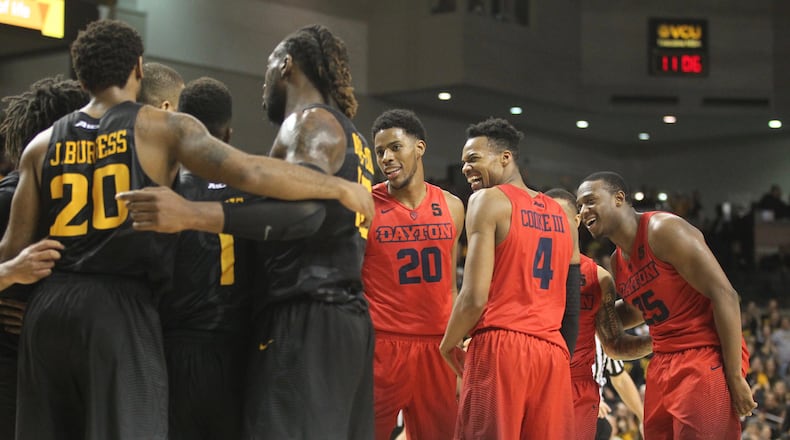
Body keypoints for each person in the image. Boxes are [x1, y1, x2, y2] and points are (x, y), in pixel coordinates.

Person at [0, 19, 373, 440]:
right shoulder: (161, 128)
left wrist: (15, 277)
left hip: (50, 308)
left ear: (79, 74)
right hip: (120, 305)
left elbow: (9, 250)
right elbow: (248, 171)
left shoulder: (41, 144)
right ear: (138, 69)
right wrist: (336, 185)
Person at [239, 23, 376, 440]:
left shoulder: (308, 122)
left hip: (307, 314)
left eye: (267, 69)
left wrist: (199, 213)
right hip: (344, 317)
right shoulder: (354, 137)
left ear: (286, 65)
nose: (264, 83)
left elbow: (307, 215)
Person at [576, 171, 756, 439]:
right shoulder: (617, 261)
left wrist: (734, 376)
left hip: (703, 354)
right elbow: (638, 310)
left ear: (619, 198)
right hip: (662, 360)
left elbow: (725, 294)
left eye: (590, 201)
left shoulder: (663, 230)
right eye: (579, 205)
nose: (583, 210)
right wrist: (586, 309)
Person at [439, 117, 580, 439]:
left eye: (473, 158)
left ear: (505, 158)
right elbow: (571, 307)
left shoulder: (487, 201)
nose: (465, 168)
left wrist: (447, 344)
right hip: (553, 354)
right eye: (463, 162)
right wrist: (562, 357)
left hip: (501, 347)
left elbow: (474, 297)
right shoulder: (563, 215)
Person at [363, 109, 464, 440]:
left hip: (438, 346)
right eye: (380, 152)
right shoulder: (365, 204)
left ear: (419, 147)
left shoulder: (452, 206)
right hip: (383, 344)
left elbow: (450, 285)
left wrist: (457, 342)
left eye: (395, 147)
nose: (386, 158)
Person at [0, 75, 88, 438]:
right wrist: (8, 273)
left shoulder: (96, 198)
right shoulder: (7, 199)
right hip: (11, 367)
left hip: (65, 365)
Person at [546, 187, 645, 439]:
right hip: (535, 378)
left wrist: (664, 338)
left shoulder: (599, 278)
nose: (554, 224)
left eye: (561, 217)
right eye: (547, 217)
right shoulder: (523, 265)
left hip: (578, 386)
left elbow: (613, 345)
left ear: (577, 220)